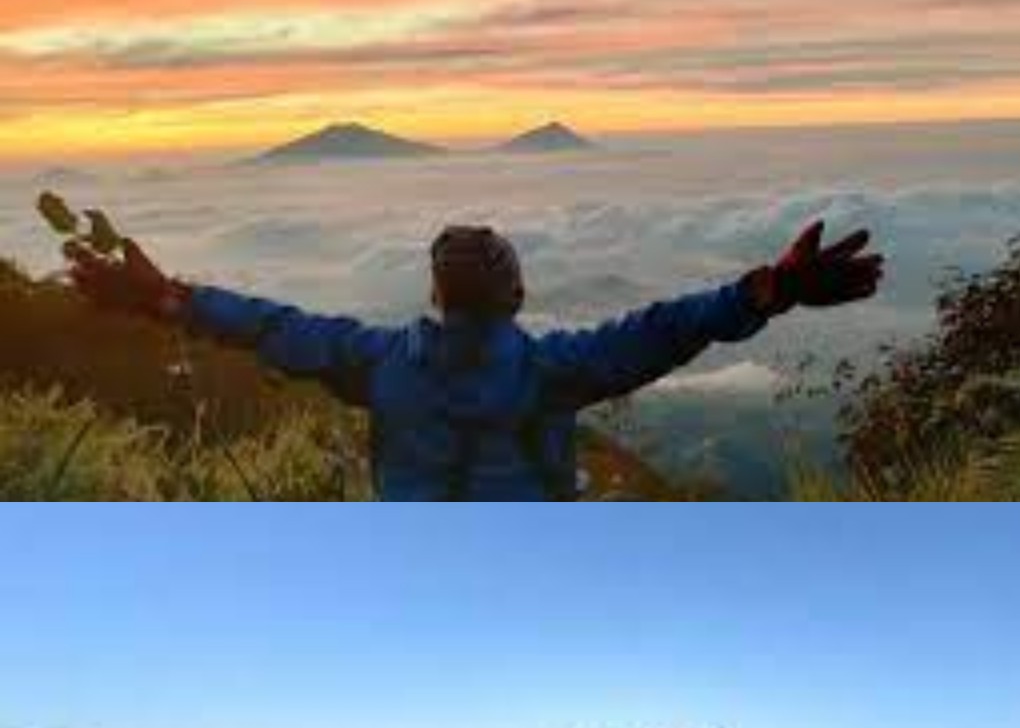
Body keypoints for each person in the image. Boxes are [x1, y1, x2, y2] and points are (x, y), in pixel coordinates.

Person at [64, 219, 884, 501]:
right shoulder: (556, 370)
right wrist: (767, 292)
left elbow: (274, 326)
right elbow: (663, 329)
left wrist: (170, 298)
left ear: (437, 295)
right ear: (517, 297)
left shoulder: (377, 362)